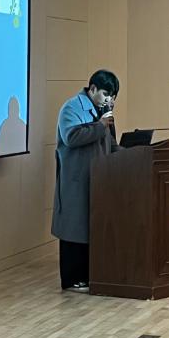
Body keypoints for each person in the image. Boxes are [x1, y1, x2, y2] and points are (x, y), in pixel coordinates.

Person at [51, 70, 120, 292]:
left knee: (92, 228)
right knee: (74, 229)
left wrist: (132, 153)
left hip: (98, 179)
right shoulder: (71, 107)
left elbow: (110, 143)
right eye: (106, 94)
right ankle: (72, 279)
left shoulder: (104, 114)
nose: (109, 100)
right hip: (76, 180)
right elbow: (71, 137)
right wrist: (100, 125)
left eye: (113, 96)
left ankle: (91, 275)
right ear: (92, 89)